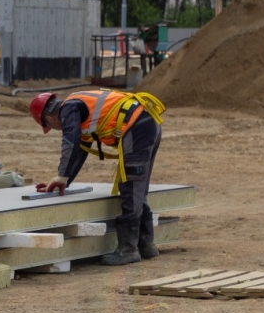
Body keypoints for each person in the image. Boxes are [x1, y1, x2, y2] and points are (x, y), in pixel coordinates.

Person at [30, 89, 166, 266]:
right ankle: (146, 245)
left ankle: (128, 249)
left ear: (49, 119)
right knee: (137, 188)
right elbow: (79, 149)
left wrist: (62, 176)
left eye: (50, 127)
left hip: (136, 127)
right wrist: (64, 179)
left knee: (131, 186)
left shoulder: (68, 109)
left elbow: (70, 142)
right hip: (147, 121)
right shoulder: (78, 104)